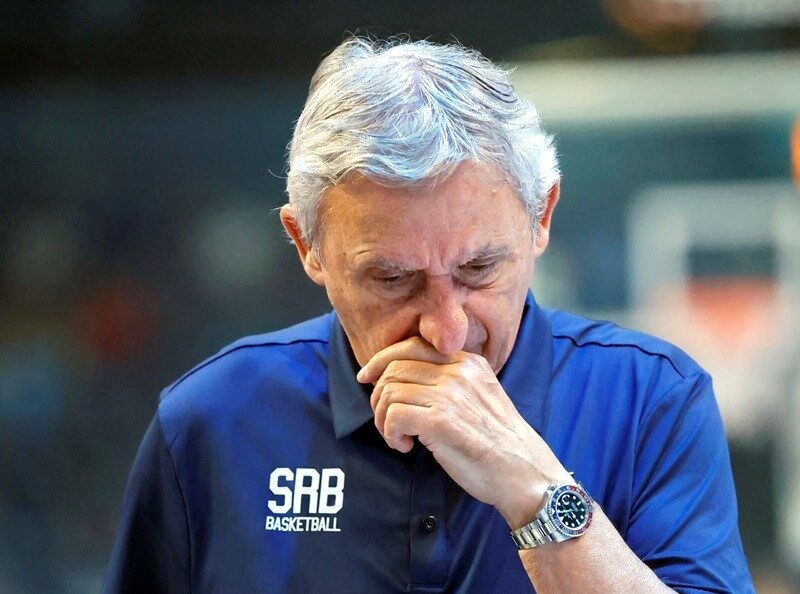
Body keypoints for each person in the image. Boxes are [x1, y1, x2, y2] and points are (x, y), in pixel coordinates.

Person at [103, 36, 754, 593]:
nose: (445, 331)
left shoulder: (650, 401)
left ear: (542, 217)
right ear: (307, 246)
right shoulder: (212, 421)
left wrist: (534, 490)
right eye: (392, 279)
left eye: (479, 270)